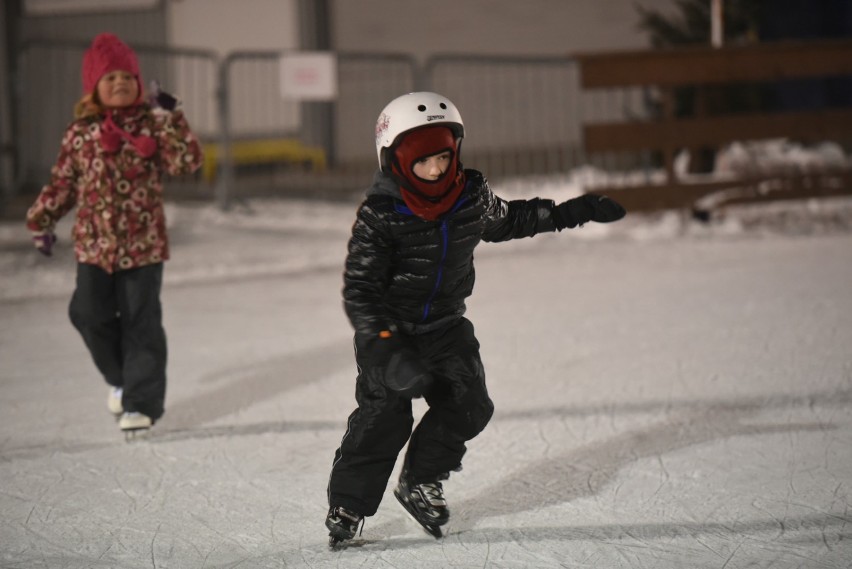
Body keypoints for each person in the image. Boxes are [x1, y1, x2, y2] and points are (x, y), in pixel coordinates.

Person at [325, 91, 626, 545]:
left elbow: (509, 220)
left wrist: (571, 212)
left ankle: (420, 481)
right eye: (422, 162)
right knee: (385, 417)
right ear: (395, 160)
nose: (435, 171)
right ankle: (349, 504)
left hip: (446, 327)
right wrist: (385, 344)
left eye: (444, 158)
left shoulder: (470, 196)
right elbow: (361, 291)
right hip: (391, 333)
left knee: (470, 404)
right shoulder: (380, 215)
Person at [25, 33, 203, 438]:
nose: (120, 83)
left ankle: (141, 404)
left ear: (139, 84)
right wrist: (42, 220)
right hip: (94, 246)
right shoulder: (80, 133)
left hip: (143, 246)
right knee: (87, 314)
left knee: (142, 323)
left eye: (127, 76)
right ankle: (121, 378)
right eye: (110, 78)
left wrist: (172, 117)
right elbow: (63, 183)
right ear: (94, 88)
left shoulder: (153, 127)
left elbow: (187, 161)